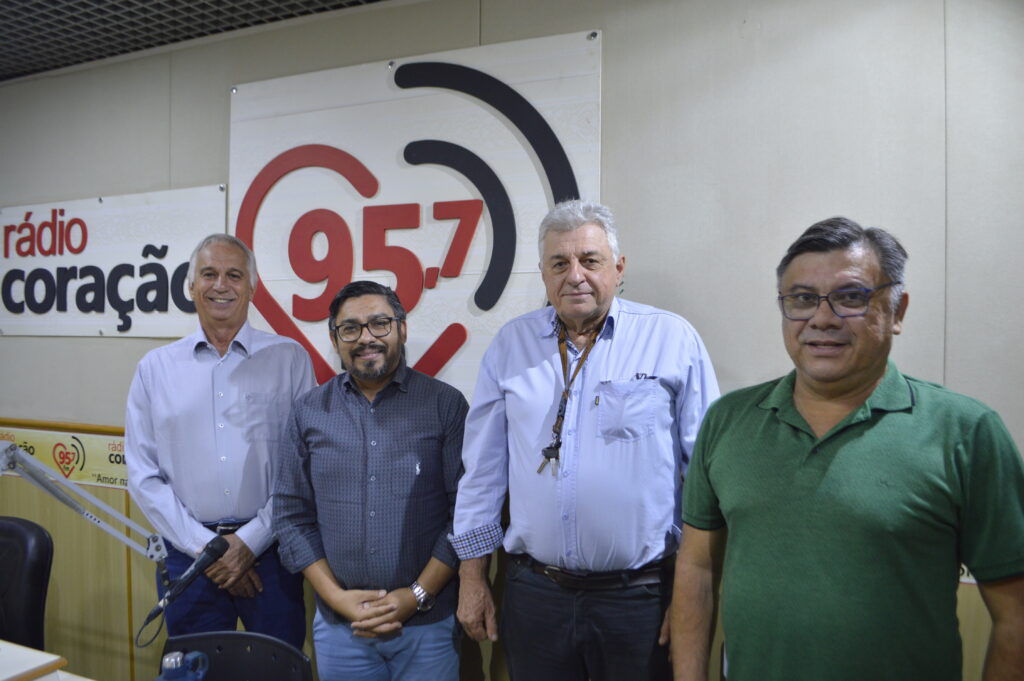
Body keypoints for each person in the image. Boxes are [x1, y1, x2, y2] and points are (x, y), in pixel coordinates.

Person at [670, 217, 1024, 681]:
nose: (821, 318)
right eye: (801, 299)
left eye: (851, 297)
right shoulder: (728, 421)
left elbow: (1015, 612)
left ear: (897, 312)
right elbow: (697, 568)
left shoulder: (966, 431)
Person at [451, 200, 720, 681]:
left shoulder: (671, 340)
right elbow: (482, 474)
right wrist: (472, 579)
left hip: (639, 597)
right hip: (536, 595)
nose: (575, 275)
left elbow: (703, 474)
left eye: (590, 261)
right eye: (559, 263)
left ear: (618, 268)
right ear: (543, 274)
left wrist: (686, 597)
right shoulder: (510, 346)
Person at [272, 280, 468, 681]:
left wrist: (416, 596)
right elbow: (291, 517)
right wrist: (337, 599)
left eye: (380, 324)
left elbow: (464, 514)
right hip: (341, 629)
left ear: (402, 329)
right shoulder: (308, 412)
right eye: (351, 328)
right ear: (335, 338)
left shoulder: (445, 405)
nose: (366, 338)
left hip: (428, 625)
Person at [126, 233, 314, 648]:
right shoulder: (155, 369)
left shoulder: (290, 359)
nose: (220, 285)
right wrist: (206, 549)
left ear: (252, 286)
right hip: (187, 554)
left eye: (234, 275)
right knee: (197, 672)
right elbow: (142, 474)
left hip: (273, 552)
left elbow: (303, 469)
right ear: (191, 286)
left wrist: (250, 542)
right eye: (208, 274)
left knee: (277, 671)